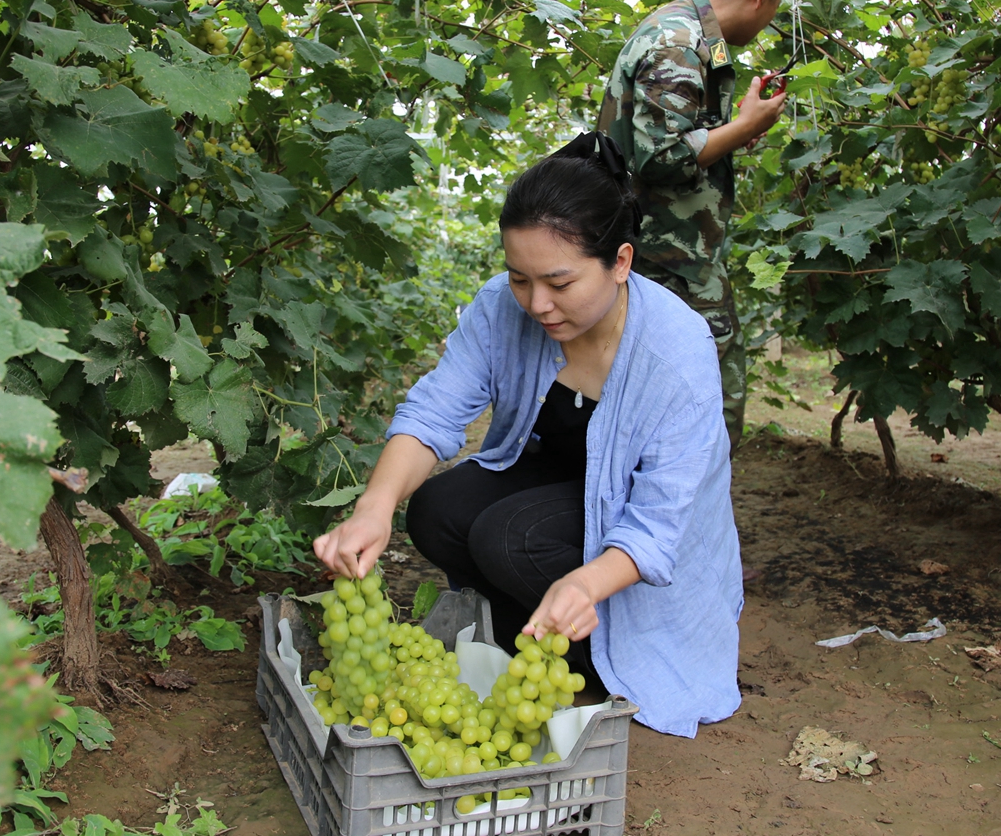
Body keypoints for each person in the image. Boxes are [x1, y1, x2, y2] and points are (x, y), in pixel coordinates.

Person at [313, 133, 743, 738]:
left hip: (635, 523)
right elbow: (435, 411)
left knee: (508, 539)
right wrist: (373, 509)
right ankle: (531, 635)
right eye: (520, 278)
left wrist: (587, 582)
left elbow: (658, 523)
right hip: (556, 481)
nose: (536, 303)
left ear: (621, 262)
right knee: (434, 510)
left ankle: (592, 641)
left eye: (559, 283)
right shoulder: (501, 308)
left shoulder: (676, 354)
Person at [598, 0, 799, 456]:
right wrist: (745, 126)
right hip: (667, 263)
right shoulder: (680, 42)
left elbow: (674, 142)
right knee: (705, 406)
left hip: (668, 256)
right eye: (776, 8)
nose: (771, 18)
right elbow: (659, 156)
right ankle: (680, 521)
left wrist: (733, 130)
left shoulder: (683, 32)